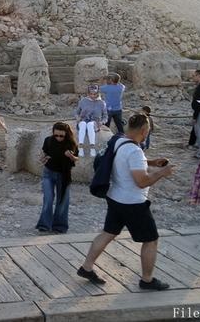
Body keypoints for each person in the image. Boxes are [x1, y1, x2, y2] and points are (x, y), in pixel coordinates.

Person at [77, 113, 174, 291]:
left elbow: (125, 162)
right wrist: (162, 172)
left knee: (108, 233)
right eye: (148, 131)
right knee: (151, 240)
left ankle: (86, 267)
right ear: (144, 131)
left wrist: (151, 162)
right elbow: (142, 181)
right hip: (133, 203)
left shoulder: (118, 140)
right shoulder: (135, 151)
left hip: (115, 197)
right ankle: (147, 280)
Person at [36, 122, 79, 233]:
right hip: (48, 173)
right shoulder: (48, 140)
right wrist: (42, 158)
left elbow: (76, 158)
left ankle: (59, 226)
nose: (58, 138)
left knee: (62, 201)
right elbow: (44, 154)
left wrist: (71, 156)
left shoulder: (71, 143)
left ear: (66, 134)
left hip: (64, 175)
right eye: (56, 135)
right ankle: (44, 225)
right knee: (48, 199)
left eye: (61, 136)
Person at [75, 84, 108, 157]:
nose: (93, 96)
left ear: (98, 93)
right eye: (91, 94)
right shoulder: (83, 101)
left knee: (90, 125)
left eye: (95, 94)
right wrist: (77, 117)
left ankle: (92, 148)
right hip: (83, 120)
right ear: (88, 93)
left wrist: (102, 122)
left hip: (95, 122)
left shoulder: (102, 103)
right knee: (83, 124)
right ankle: (80, 147)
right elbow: (77, 112)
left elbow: (105, 116)